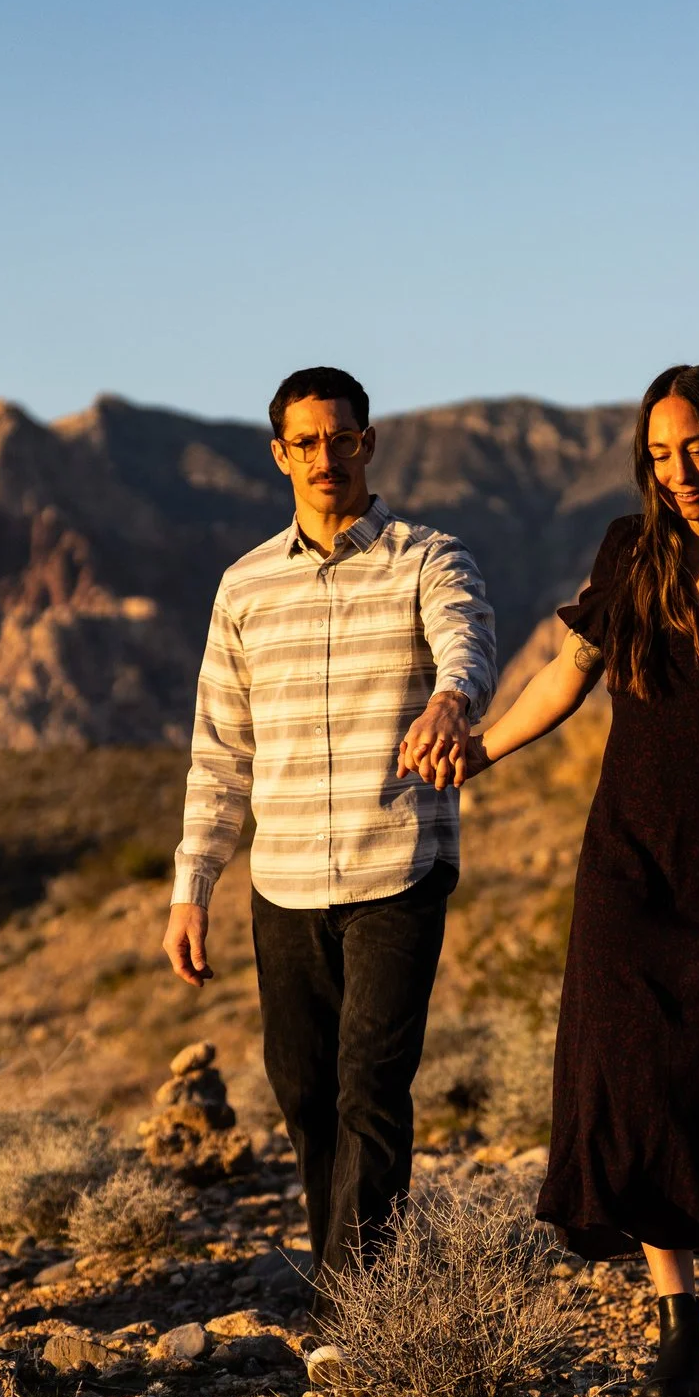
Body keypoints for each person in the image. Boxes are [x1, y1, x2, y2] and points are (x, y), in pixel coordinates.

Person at [410, 363, 699, 1397]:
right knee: (631, 1087)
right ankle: (675, 1324)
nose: (680, 472)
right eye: (659, 455)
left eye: (695, 448)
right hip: (628, 864)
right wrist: (479, 751)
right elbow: (567, 674)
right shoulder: (632, 552)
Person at [164, 366, 497, 1304]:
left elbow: (468, 640)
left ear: (368, 444)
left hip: (399, 864)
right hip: (285, 881)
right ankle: (350, 1282)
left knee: (370, 1088)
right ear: (280, 454)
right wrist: (193, 887)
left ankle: (357, 1312)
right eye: (305, 443)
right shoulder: (244, 587)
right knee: (305, 1092)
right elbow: (219, 751)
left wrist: (451, 700)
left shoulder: (428, 558)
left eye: (341, 439)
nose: (325, 458)